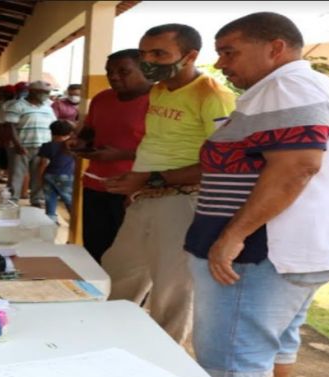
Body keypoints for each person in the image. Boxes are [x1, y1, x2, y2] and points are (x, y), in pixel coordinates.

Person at [184, 13, 329, 377]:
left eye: (230, 52)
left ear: (275, 48)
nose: (221, 63)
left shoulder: (288, 86)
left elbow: (297, 167)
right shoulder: (299, 86)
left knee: (237, 359)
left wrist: (233, 235)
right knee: (272, 347)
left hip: (259, 252)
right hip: (286, 250)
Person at [101, 24, 236, 344]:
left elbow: (224, 162)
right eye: (144, 54)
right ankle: (107, 340)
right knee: (119, 274)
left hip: (184, 200)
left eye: (159, 54)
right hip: (147, 197)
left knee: (172, 289)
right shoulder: (159, 89)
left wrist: (149, 179)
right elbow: (157, 143)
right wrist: (140, 185)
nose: (148, 61)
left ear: (190, 56)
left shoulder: (213, 96)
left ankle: (166, 356)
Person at [70, 49, 151, 263]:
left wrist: (121, 155)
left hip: (133, 189)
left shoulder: (160, 102)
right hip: (95, 185)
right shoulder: (102, 98)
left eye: (123, 71)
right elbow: (90, 129)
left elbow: (167, 149)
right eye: (109, 72)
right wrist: (81, 142)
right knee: (95, 247)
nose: (114, 77)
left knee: (127, 255)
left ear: (145, 70)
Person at [2, 80, 57, 206]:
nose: (46, 95)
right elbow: (10, 126)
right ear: (32, 91)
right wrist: (17, 145)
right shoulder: (17, 106)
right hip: (22, 146)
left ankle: (37, 199)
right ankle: (12, 199)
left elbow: (53, 125)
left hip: (43, 146)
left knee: (39, 174)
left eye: (48, 92)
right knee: (17, 174)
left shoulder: (48, 107)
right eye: (43, 92)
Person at [37, 121, 74, 222]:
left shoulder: (47, 146)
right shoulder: (71, 145)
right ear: (70, 133)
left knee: (50, 199)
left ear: (51, 132)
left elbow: (42, 163)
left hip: (48, 175)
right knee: (69, 200)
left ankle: (51, 221)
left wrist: (40, 178)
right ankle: (76, 222)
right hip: (66, 176)